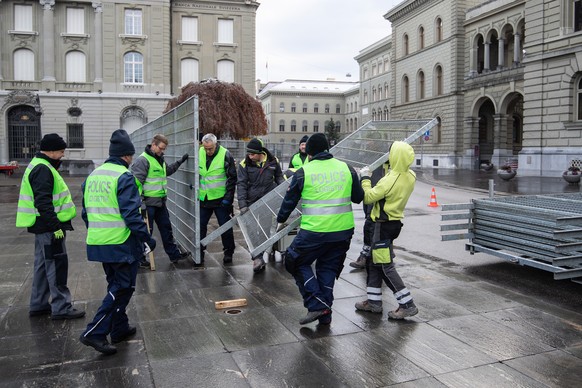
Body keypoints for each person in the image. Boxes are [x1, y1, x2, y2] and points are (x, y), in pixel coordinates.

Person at [80, 129, 157, 355]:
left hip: (98, 241)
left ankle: (119, 327)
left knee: (115, 285)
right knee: (123, 287)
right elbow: (132, 216)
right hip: (121, 243)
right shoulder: (124, 177)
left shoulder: (93, 176)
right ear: (127, 156)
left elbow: (85, 213)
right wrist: (147, 239)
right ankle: (94, 332)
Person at [277, 133, 363, 325]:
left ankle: (316, 305)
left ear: (309, 153)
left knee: (294, 260)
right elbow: (358, 197)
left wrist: (280, 219)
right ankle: (325, 314)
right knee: (328, 269)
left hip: (315, 232)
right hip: (343, 231)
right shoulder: (346, 168)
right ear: (327, 149)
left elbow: (289, 202)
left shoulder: (303, 171)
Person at [16, 133, 85, 320]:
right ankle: (61, 307)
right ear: (52, 151)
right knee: (56, 265)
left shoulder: (38, 166)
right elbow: (43, 202)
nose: (63, 155)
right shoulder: (43, 169)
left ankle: (38, 304)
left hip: (41, 226)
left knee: (42, 265)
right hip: (49, 227)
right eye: (61, 151)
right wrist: (55, 226)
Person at [354, 141, 419, 319]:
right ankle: (374, 302)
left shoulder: (390, 180)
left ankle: (407, 304)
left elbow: (368, 197)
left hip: (381, 226)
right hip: (393, 223)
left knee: (384, 266)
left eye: (390, 153)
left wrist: (365, 178)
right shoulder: (410, 175)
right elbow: (396, 170)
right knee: (373, 263)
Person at [131, 134, 190, 267]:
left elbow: (167, 171)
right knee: (146, 232)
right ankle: (140, 258)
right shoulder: (143, 160)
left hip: (160, 202)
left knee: (166, 228)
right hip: (148, 203)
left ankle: (174, 255)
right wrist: (141, 203)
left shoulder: (159, 159)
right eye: (161, 148)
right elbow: (136, 184)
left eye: (164, 149)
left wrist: (180, 162)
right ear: (153, 144)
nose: (162, 151)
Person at [237, 138, 284, 272]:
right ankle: (256, 258)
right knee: (251, 230)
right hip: (251, 202)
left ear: (260, 153)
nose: (250, 156)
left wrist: (284, 188)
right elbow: (241, 184)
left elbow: (279, 177)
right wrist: (242, 205)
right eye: (249, 154)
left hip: (268, 201)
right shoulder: (244, 164)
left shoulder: (273, 161)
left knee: (264, 228)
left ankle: (260, 256)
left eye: (252, 154)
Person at [199, 133, 236, 264]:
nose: (208, 151)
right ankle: (199, 253)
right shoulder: (199, 152)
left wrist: (228, 199)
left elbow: (232, 179)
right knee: (200, 227)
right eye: (205, 148)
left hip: (220, 199)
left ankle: (228, 252)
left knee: (225, 227)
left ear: (216, 144)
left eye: (210, 148)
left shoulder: (226, 155)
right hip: (204, 198)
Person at [349, 161, 390, 269]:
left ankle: (367, 257)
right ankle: (372, 256)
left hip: (378, 192)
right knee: (369, 223)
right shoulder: (370, 154)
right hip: (367, 188)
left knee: (371, 224)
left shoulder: (385, 155)